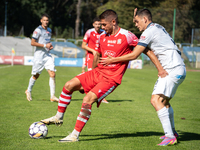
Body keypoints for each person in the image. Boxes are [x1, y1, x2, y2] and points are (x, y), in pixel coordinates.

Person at [40, 9, 148, 142]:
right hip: (97, 72)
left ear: (113, 22)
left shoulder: (127, 35)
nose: (102, 28)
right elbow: (98, 56)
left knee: (87, 99)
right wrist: (89, 74)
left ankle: (74, 135)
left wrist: (161, 67)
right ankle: (58, 117)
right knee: (69, 85)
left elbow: (144, 49)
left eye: (104, 25)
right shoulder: (102, 37)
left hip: (111, 78)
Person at [100, 8, 186, 146]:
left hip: (171, 69)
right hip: (179, 68)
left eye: (137, 21)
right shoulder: (157, 27)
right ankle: (172, 133)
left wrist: (112, 60)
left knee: (155, 100)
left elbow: (135, 55)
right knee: (164, 102)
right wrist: (136, 16)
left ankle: (170, 136)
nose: (135, 24)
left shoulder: (148, 32)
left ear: (145, 19)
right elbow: (143, 25)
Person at [25, 14, 59, 102]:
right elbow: (32, 43)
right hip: (39, 56)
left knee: (52, 74)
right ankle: (28, 90)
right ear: (41, 21)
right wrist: (45, 45)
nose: (46, 22)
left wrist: (49, 46)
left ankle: (52, 96)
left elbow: (47, 42)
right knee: (36, 75)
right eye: (44, 20)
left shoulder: (49, 30)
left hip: (47, 55)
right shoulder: (37, 30)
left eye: (47, 20)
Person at [81, 17, 109, 104]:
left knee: (101, 76)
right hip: (91, 57)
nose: (98, 26)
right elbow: (83, 45)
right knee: (92, 76)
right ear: (93, 24)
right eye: (96, 24)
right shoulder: (89, 32)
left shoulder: (103, 32)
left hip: (100, 57)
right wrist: (93, 51)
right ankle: (90, 95)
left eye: (99, 24)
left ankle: (100, 96)